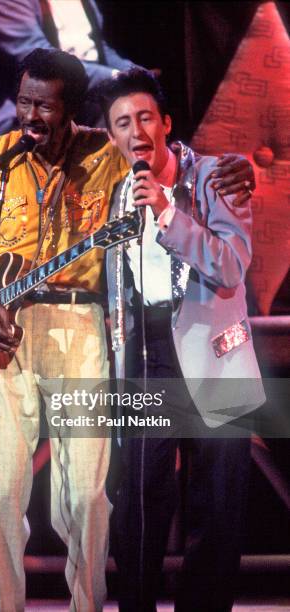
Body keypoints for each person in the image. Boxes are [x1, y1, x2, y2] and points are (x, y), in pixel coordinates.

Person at [0, 47, 256, 611]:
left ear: (72, 113)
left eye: (47, 106)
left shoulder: (120, 159)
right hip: (32, 336)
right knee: (17, 496)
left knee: (103, 497)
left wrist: (237, 168)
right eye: (24, 101)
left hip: (114, 331)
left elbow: (168, 163)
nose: (32, 115)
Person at [98, 68, 266, 611]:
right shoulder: (114, 193)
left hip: (219, 351)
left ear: (166, 124)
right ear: (112, 135)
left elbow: (232, 267)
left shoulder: (216, 177)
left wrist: (168, 214)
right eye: (122, 122)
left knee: (217, 505)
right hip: (147, 353)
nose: (135, 130)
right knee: (139, 499)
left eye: (145, 117)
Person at [0, 0, 138, 145]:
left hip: (77, 111)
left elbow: (96, 49)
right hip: (20, 119)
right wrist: (117, 78)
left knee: (140, 108)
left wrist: (138, 75)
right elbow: (36, 58)